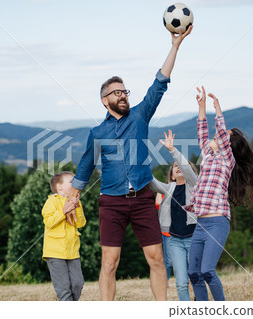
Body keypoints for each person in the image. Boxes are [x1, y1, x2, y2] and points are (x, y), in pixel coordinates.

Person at [66, 26, 193, 301]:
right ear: (105, 100)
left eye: (125, 91)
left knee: (157, 259)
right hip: (111, 202)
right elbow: (86, 167)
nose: (123, 95)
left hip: (143, 200)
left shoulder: (140, 117)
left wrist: (175, 46)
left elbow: (160, 83)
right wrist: (73, 197)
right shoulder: (97, 133)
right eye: (116, 92)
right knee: (109, 262)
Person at [185, 86, 253, 301]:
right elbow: (202, 131)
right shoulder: (209, 155)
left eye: (222, 137)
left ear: (227, 145)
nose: (215, 136)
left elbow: (220, 131)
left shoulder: (227, 160)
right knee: (193, 272)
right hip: (201, 224)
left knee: (207, 270)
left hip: (217, 222)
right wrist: (201, 107)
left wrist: (217, 109)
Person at [150, 130, 198, 301]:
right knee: (181, 283)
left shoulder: (194, 185)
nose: (178, 167)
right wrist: (138, 163)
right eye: (175, 167)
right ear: (171, 174)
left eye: (181, 166)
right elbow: (151, 182)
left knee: (196, 278)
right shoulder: (168, 188)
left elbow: (185, 166)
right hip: (175, 240)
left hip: (193, 238)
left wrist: (173, 151)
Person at [42, 171, 86, 301]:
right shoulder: (51, 202)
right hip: (55, 253)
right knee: (64, 287)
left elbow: (81, 223)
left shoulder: (77, 202)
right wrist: (63, 211)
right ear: (59, 187)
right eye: (72, 182)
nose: (75, 184)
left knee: (78, 283)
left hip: (73, 253)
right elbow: (49, 222)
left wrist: (77, 207)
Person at [155, 193, 173, 288]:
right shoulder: (164, 191)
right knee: (169, 260)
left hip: (183, 231)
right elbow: (158, 203)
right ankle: (165, 281)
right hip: (167, 233)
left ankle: (190, 281)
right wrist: (159, 191)